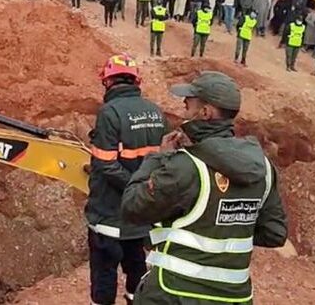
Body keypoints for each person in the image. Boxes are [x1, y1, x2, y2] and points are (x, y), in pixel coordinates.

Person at [121, 71, 287, 305]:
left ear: (205, 112)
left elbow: (132, 206)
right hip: (234, 298)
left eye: (188, 105)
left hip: (174, 294)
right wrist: (227, 226)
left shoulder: (187, 166)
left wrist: (158, 159)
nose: (184, 110)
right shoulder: (264, 168)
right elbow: (274, 233)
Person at [86, 54, 166, 305]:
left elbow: (106, 165)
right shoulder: (155, 112)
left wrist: (132, 185)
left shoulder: (109, 113)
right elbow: (163, 160)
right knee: (137, 272)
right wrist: (143, 189)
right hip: (141, 216)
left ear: (108, 82)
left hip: (109, 216)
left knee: (104, 276)